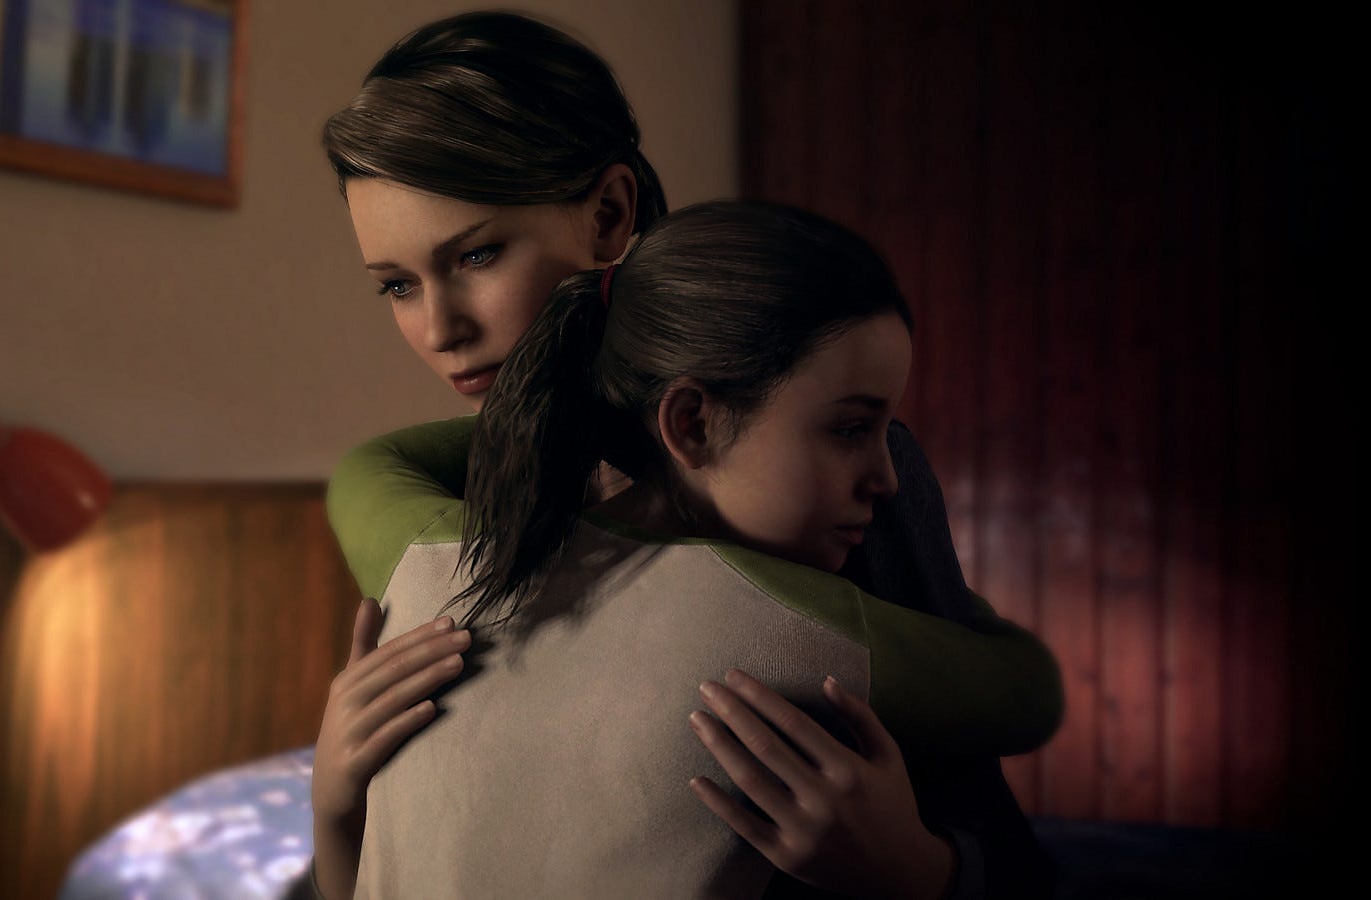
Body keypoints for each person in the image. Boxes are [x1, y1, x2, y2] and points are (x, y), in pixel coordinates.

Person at [307, 12, 1059, 900]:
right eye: (398, 285)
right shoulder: (462, 510)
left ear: (609, 215)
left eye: (476, 255)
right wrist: (337, 799)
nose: (439, 329)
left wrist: (920, 871)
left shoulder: (828, 476)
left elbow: (994, 836)